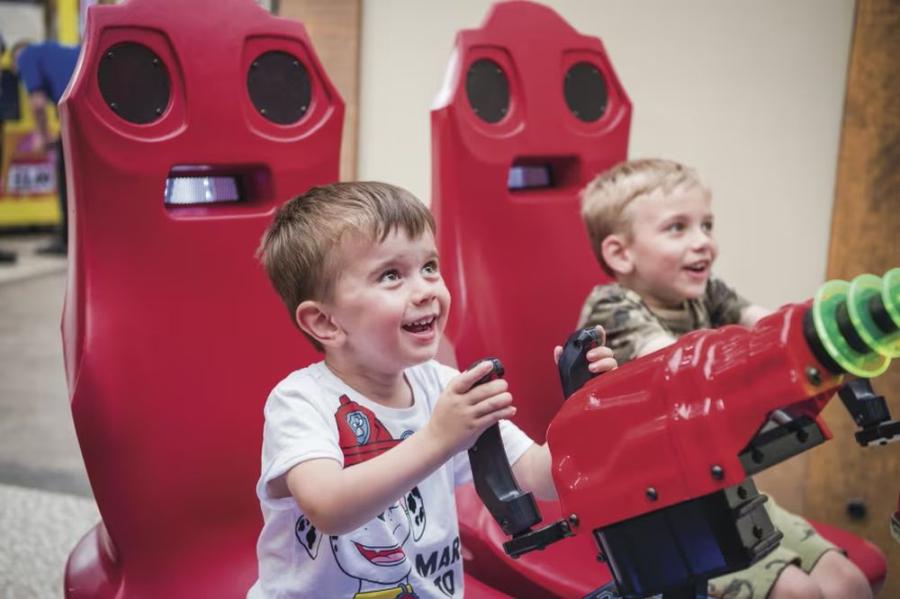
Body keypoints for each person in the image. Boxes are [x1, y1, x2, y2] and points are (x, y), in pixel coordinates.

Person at [249, 181, 616, 598]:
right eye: (391, 275)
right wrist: (439, 439)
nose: (425, 290)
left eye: (429, 267)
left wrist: (588, 409)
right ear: (326, 323)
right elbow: (329, 508)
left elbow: (541, 476)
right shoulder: (299, 401)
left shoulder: (441, 385)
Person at [576, 158, 872, 599]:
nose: (703, 244)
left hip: (719, 488)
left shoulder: (708, 291)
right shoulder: (611, 310)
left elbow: (771, 329)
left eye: (706, 225)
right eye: (678, 228)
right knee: (799, 594)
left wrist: (824, 342)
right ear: (621, 253)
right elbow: (674, 366)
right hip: (659, 511)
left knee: (848, 582)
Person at [11, 40, 80, 256]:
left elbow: (38, 103)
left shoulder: (25, 55)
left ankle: (67, 241)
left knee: (66, 176)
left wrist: (41, 135)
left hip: (79, 115)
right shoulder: (56, 51)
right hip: (95, 106)